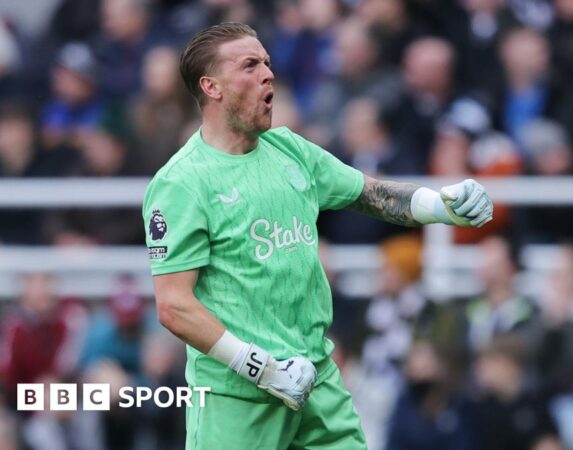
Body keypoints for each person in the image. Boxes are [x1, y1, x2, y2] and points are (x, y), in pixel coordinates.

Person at [141, 22, 493, 450]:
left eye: (267, 62)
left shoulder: (290, 149)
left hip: (316, 380)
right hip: (237, 393)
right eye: (250, 65)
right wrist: (263, 369)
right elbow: (174, 306)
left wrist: (441, 205)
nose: (268, 74)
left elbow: (371, 194)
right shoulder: (181, 183)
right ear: (211, 87)